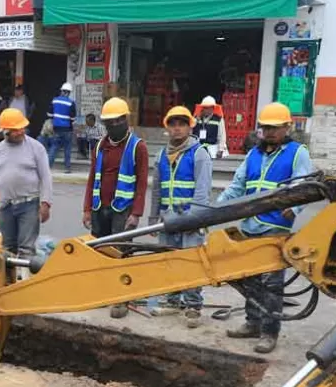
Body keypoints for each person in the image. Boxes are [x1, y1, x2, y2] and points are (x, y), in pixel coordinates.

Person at [218, 102, 313, 354]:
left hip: (275, 227)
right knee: (249, 279)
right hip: (250, 226)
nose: (269, 132)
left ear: (286, 127)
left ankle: (270, 332)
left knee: (272, 284)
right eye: (265, 128)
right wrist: (215, 209)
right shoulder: (253, 154)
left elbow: (305, 186)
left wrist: (296, 208)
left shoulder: (297, 153)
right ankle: (252, 322)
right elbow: (237, 186)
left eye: (274, 128)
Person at [83, 97, 150, 319]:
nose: (112, 126)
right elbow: (92, 177)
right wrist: (86, 209)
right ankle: (101, 292)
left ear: (125, 120)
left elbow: (142, 182)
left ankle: (122, 298)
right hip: (99, 207)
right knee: (100, 253)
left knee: (121, 253)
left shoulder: (137, 147)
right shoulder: (101, 145)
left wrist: (136, 213)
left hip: (122, 209)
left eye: (116, 121)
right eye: (108, 122)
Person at [148, 106, 214, 328]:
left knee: (191, 263)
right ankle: (173, 301)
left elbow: (203, 191)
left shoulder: (199, 154)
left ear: (189, 126)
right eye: (173, 124)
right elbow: (157, 189)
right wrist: (153, 217)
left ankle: (193, 305)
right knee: (169, 260)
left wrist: (196, 219)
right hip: (168, 218)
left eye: (182, 124)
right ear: (168, 127)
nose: (177, 129)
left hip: (190, 220)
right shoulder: (161, 155)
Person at [0, 108, 52, 257]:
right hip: (5, 207)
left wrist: (46, 203)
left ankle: (25, 279)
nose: (20, 132)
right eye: (15, 130)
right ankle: (10, 279)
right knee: (7, 249)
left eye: (22, 128)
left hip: (28, 205)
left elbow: (46, 177)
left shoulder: (36, 148)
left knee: (26, 249)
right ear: (5, 132)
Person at [48, 82, 77, 172]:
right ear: (69, 92)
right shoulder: (71, 103)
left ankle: (48, 167)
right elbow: (73, 118)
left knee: (54, 147)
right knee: (67, 148)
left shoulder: (54, 100)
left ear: (61, 91)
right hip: (67, 129)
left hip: (56, 128)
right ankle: (67, 168)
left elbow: (49, 114)